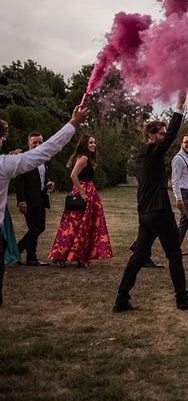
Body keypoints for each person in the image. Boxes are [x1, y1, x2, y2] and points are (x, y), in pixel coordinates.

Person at [113, 91, 188, 312]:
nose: (165, 136)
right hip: (158, 212)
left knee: (138, 257)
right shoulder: (152, 152)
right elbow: (174, 134)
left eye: (165, 133)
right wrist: (179, 107)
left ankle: (121, 299)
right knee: (174, 255)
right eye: (161, 134)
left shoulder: (143, 155)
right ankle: (182, 299)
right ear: (151, 135)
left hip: (145, 214)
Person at [0, 106, 88, 306]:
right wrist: (73, 122)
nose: (3, 142)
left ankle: (26, 254)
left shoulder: (7, 162)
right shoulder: (5, 163)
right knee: (35, 228)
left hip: (37, 200)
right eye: (3, 139)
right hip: (25, 206)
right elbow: (46, 151)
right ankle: (21, 252)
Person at [49, 134, 112, 268]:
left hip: (88, 192)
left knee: (82, 226)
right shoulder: (83, 158)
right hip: (83, 192)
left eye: (94, 142)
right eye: (90, 143)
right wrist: (83, 193)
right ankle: (61, 255)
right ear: (84, 144)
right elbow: (73, 175)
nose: (93, 145)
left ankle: (78, 256)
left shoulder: (87, 158)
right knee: (75, 226)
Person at [15, 132, 57, 266]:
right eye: (34, 142)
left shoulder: (42, 160)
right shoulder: (23, 159)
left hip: (40, 199)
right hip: (28, 201)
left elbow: (42, 179)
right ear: (29, 144)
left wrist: (48, 183)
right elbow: (19, 183)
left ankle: (15, 251)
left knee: (40, 228)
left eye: (40, 142)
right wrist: (21, 201)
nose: (38, 145)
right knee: (34, 228)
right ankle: (31, 257)